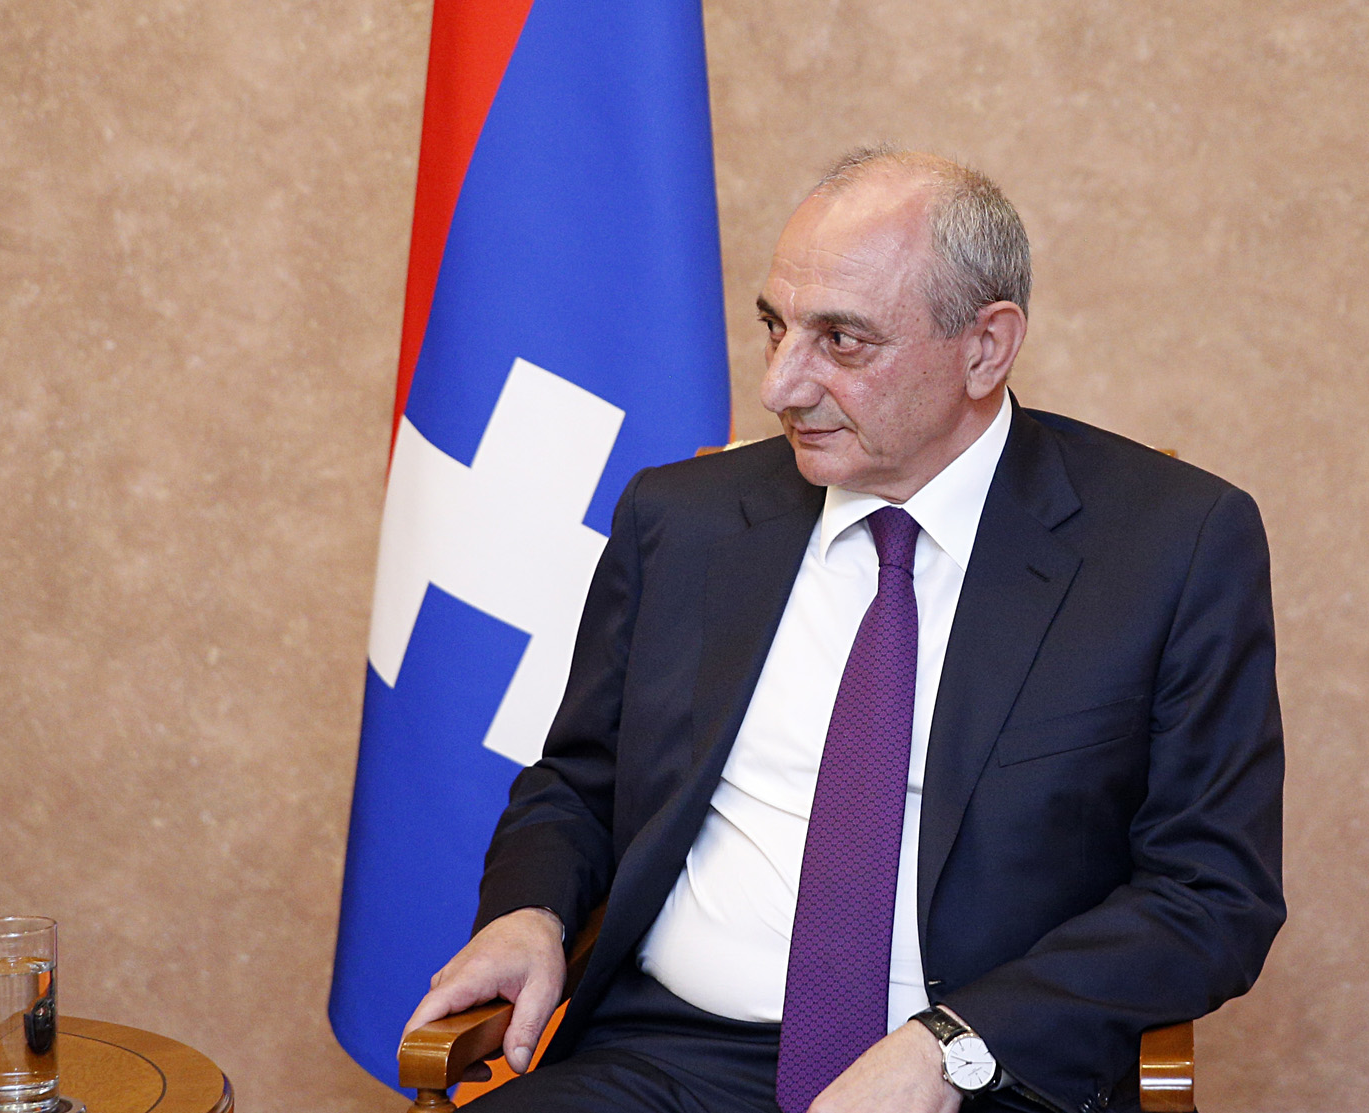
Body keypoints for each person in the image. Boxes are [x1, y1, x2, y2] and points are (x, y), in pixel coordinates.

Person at [402, 146, 1285, 1113]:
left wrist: (954, 1047)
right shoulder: (683, 520)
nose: (782, 386)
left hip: (983, 1077)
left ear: (985, 348)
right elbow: (580, 779)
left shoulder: (1170, 545)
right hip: (667, 1062)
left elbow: (1210, 891)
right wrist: (529, 908)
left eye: (842, 340)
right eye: (775, 328)